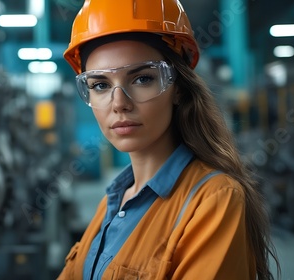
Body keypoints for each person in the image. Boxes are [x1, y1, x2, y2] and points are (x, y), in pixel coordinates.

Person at [59, 0, 280, 279]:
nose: (119, 104)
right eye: (100, 85)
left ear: (177, 88)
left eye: (141, 79)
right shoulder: (114, 201)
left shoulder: (214, 202)